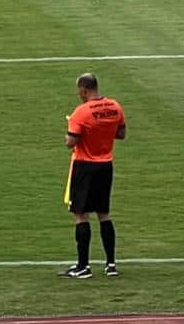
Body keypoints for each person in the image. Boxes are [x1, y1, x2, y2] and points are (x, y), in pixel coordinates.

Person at [60, 72, 126, 280]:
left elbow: (71, 142)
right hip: (106, 165)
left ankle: (83, 266)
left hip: (84, 166)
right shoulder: (114, 107)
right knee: (104, 213)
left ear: (84, 89)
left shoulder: (81, 112)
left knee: (80, 215)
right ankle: (111, 264)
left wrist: (70, 126)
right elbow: (121, 134)